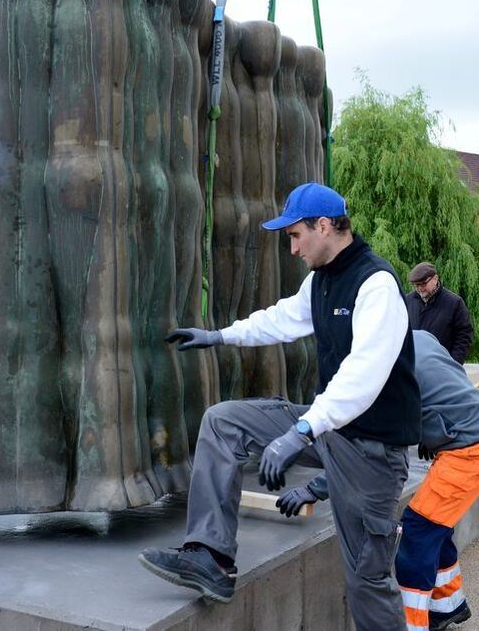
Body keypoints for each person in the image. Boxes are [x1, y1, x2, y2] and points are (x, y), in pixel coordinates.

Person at [139, 182, 420, 631]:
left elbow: (364, 375)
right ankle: (210, 557)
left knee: (367, 580)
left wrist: (301, 431)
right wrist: (219, 336)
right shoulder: (321, 282)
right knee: (223, 421)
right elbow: (280, 319)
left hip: (372, 453)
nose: (292, 248)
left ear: (324, 226)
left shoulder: (376, 284)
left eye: (295, 236)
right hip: (330, 430)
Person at [277, 330, 479, 631]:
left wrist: (314, 489)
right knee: (435, 526)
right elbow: (450, 376)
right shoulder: (418, 336)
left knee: (416, 535)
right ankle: (448, 605)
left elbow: (362, 457)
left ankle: (410, 625)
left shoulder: (382, 373)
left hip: (470, 450)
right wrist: (435, 427)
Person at [405, 261, 475, 364]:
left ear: (435, 279)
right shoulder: (408, 301)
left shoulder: (454, 303)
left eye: (423, 284)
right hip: (414, 367)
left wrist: (453, 364)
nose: (420, 288)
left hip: (442, 367)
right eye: (416, 285)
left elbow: (464, 336)